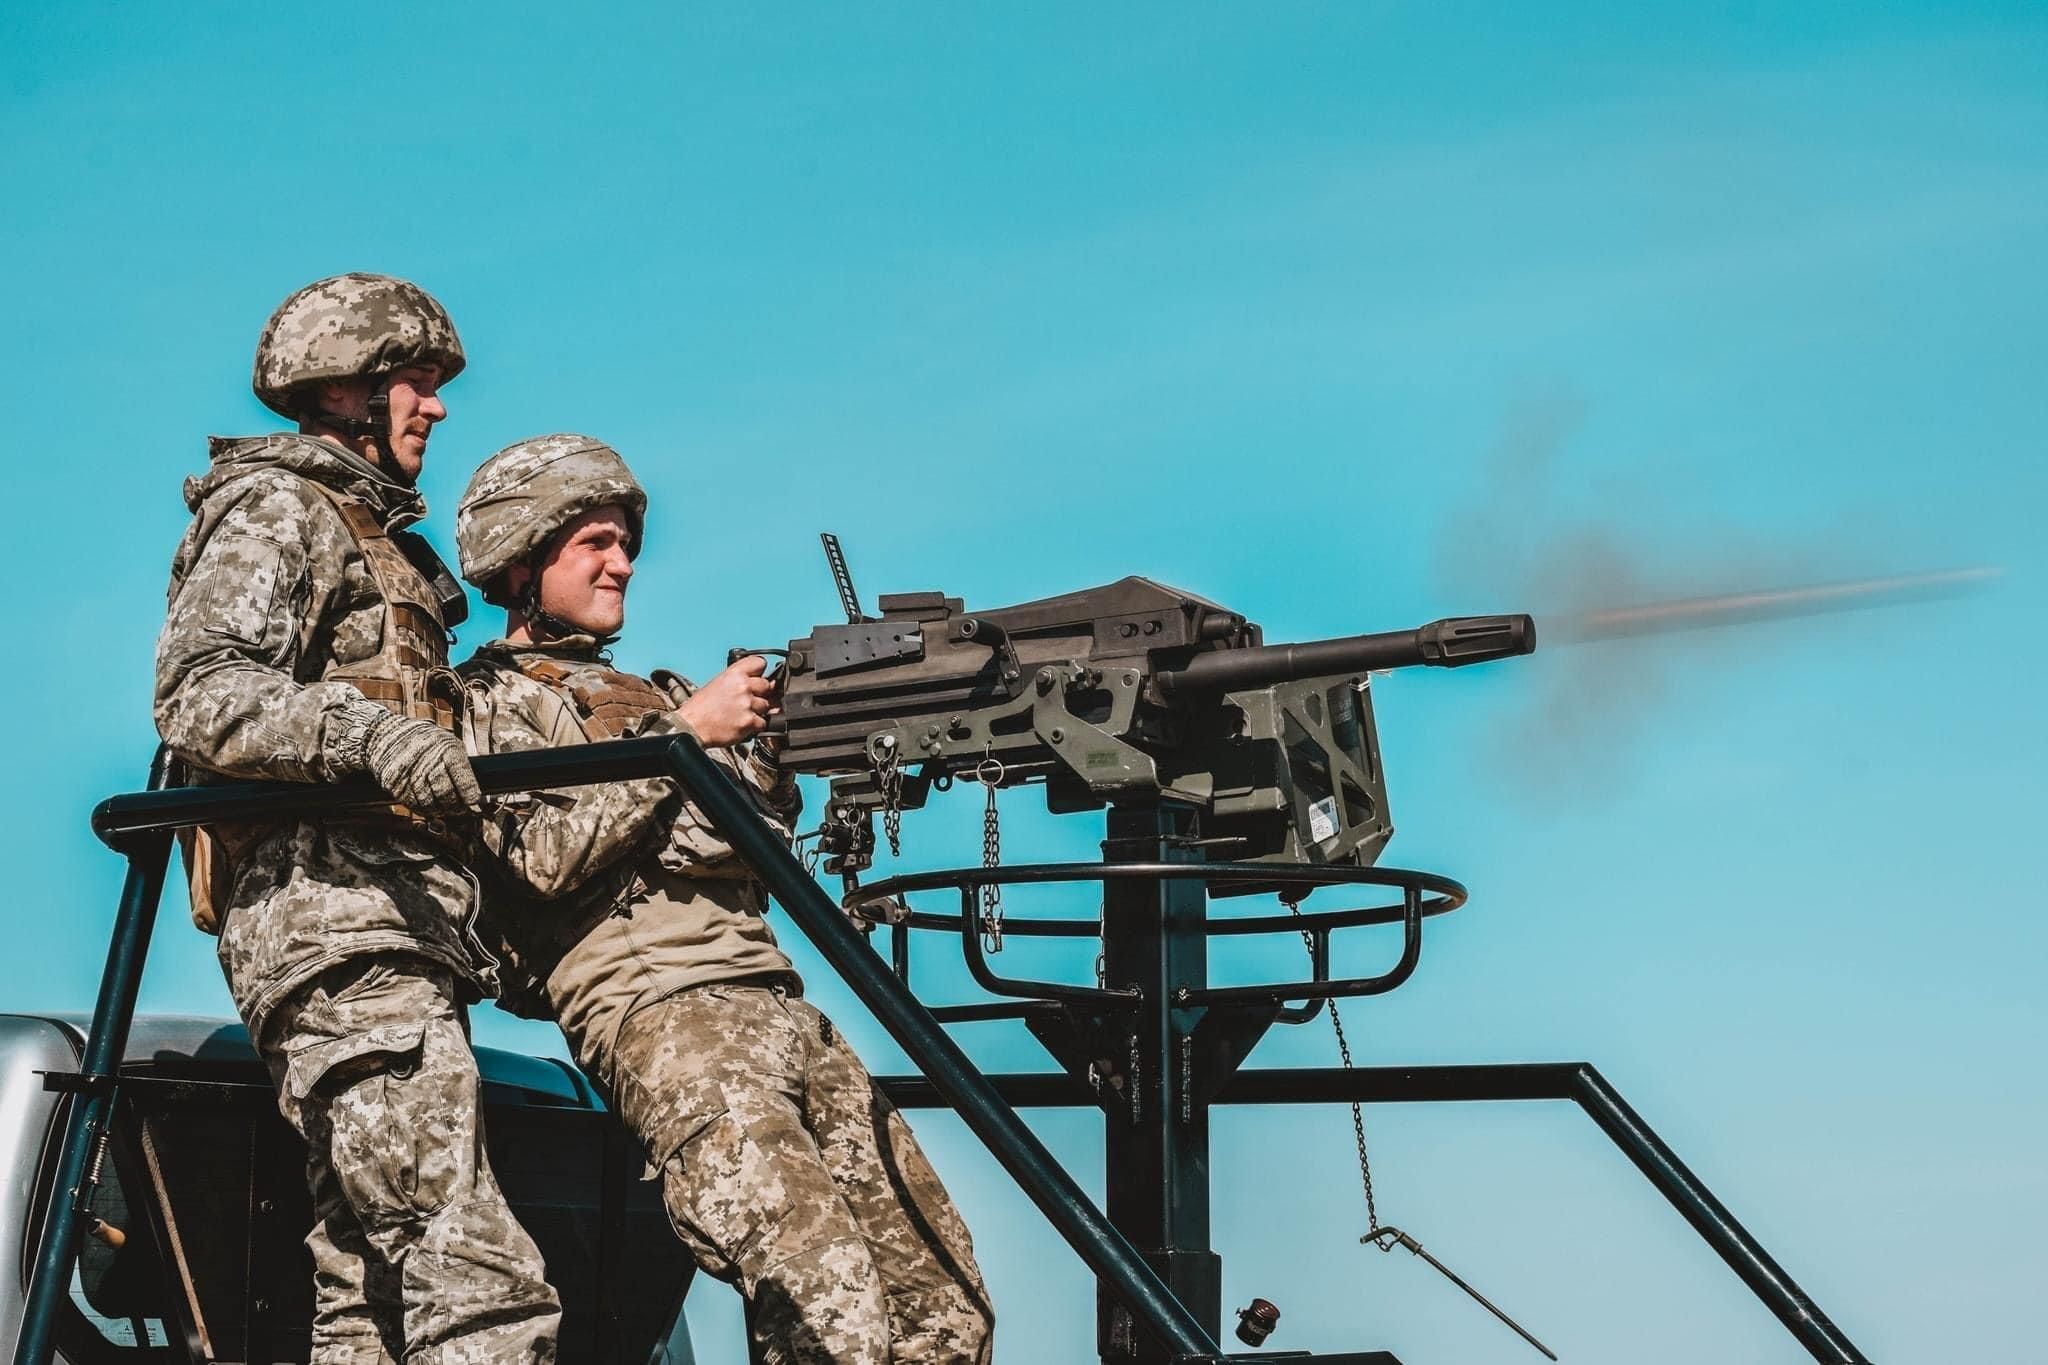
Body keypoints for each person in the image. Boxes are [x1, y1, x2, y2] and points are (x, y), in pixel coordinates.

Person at [453, 433, 994, 1365]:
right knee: (828, 1309)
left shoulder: (648, 691)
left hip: (780, 1008)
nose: (622, 562)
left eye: (626, 541)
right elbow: (536, 858)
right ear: (521, 556)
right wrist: (685, 735)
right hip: (667, 1017)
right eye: (594, 541)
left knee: (941, 1311)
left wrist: (770, 759)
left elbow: (743, 843)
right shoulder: (485, 703)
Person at [154, 274, 560, 1365]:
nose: (433, 408)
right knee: (471, 1279)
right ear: (345, 392)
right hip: (330, 923)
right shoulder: (277, 507)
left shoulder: (365, 531)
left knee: (368, 1294)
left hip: (388, 926)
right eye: (415, 384)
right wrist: (375, 740)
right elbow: (202, 692)